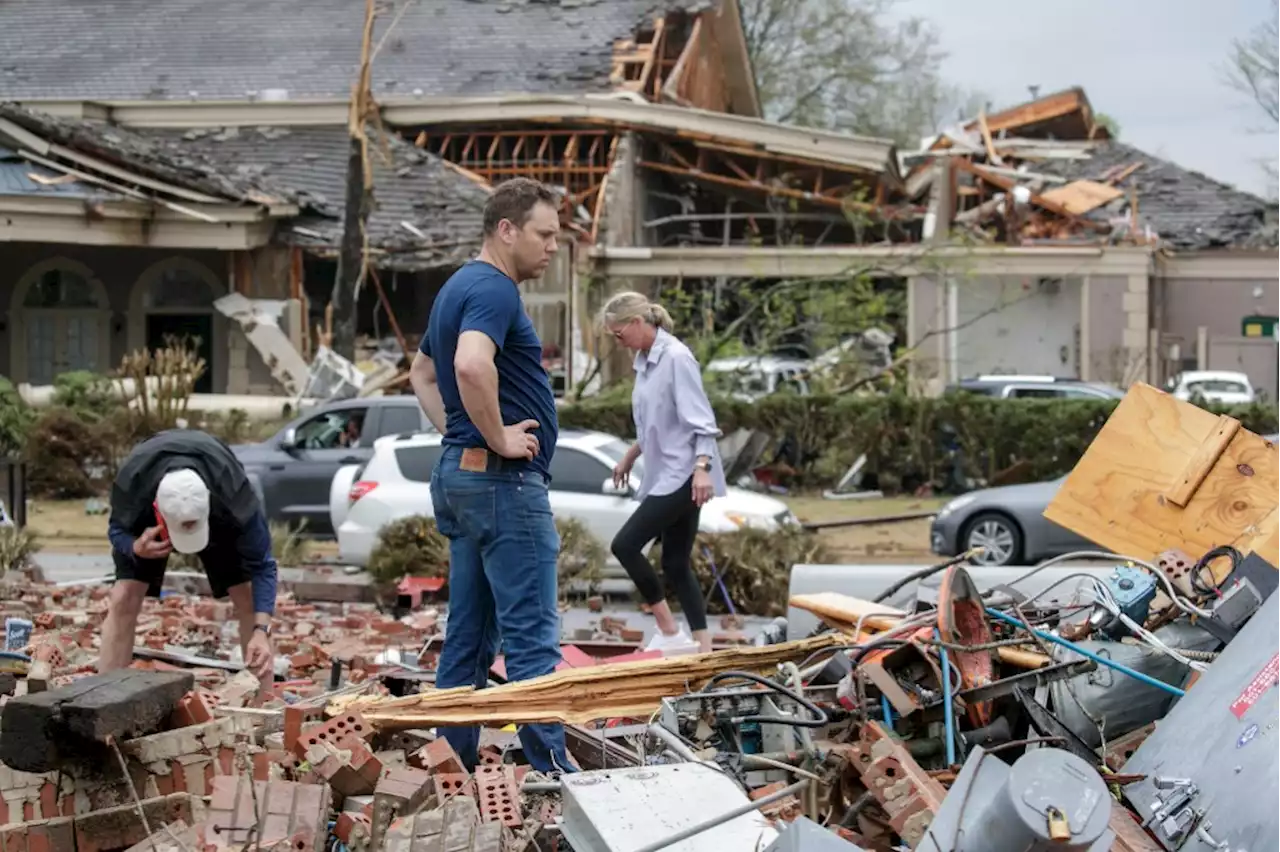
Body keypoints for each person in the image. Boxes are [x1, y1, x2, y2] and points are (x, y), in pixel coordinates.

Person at [408, 177, 573, 773]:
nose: (553, 246)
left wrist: (458, 433)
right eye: (544, 234)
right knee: (531, 639)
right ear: (507, 230)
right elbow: (470, 365)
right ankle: (555, 779)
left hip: (463, 478)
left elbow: (420, 373)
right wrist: (496, 434)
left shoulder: (457, 286)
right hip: (504, 483)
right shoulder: (495, 290)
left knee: (470, 639)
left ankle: (449, 770)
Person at [101, 429, 278, 685]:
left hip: (217, 486)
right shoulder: (132, 486)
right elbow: (116, 530)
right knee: (124, 597)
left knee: (248, 595)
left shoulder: (235, 499)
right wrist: (133, 547)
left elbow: (263, 567)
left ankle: (264, 703)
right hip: (147, 491)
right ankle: (102, 695)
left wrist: (261, 631)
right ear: (156, 511)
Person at [603, 291, 727, 654]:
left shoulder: (676, 358)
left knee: (625, 545)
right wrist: (629, 455)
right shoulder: (644, 360)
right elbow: (656, 424)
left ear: (638, 323)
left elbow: (702, 422)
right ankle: (703, 649)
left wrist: (702, 469)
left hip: (686, 474)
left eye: (618, 333)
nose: (617, 340)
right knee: (674, 563)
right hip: (667, 472)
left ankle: (669, 631)